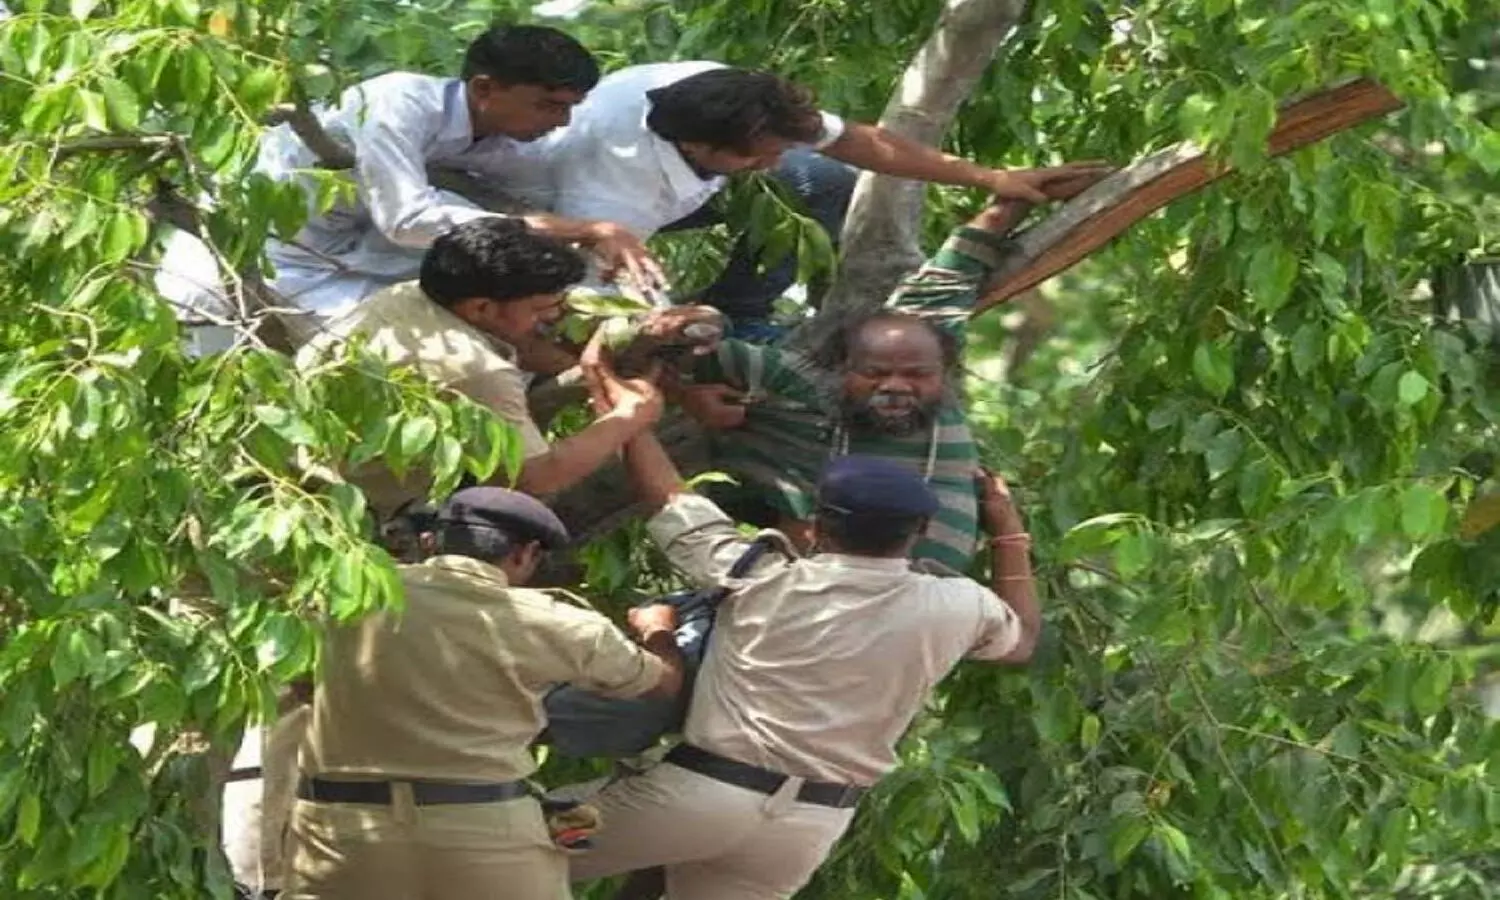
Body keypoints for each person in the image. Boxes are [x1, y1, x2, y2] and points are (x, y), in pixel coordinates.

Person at [557, 410, 1041, 899]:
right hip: (805, 830)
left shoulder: (758, 576)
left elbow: (668, 499)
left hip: (694, 801)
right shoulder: (958, 605)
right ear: (918, 530)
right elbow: (1021, 641)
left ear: (817, 523)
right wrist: (1008, 530)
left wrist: (632, 418)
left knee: (502, 847)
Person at [670, 169, 1103, 574]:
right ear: (842, 369)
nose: (896, 387)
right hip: (823, 591)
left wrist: (1018, 195)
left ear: (943, 371)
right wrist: (685, 385)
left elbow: (957, 268)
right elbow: (672, 351)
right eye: (875, 374)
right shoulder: (804, 386)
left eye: (916, 375)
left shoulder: (923, 348)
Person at [495, 61, 1108, 337]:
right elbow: (600, 291)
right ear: (701, 146)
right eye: (755, 159)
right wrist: (666, 328)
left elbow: (860, 144)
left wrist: (992, 179)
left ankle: (746, 307)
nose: (772, 162)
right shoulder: (615, 180)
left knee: (820, 181)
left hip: (681, 183)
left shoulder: (734, 99)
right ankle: (723, 324)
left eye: (776, 147)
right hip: (562, 216)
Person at [280, 486, 686, 900]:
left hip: (339, 831)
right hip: (484, 828)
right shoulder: (557, 623)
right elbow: (662, 684)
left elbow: (300, 683)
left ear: (430, 541)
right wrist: (658, 630)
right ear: (525, 554)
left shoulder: (342, 597)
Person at [157, 23, 662, 347]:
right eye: (550, 105)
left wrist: (602, 248)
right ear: (485, 88)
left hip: (354, 266)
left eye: (571, 108)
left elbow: (529, 212)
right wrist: (573, 227)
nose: (561, 121)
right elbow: (407, 219)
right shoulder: (398, 102)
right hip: (255, 255)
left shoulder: (514, 143)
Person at [296, 216, 674, 518]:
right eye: (542, 309)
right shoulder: (477, 371)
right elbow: (535, 476)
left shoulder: (409, 294)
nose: (554, 316)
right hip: (334, 507)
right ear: (481, 307)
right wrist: (630, 417)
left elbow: (522, 334)